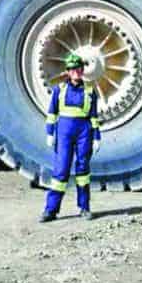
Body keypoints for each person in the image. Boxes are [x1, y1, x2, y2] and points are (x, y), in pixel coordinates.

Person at [39, 53, 101, 222]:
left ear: (82, 70)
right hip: (64, 132)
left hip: (84, 133)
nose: (76, 72)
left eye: (79, 69)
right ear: (68, 71)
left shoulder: (90, 91)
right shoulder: (59, 90)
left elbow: (94, 116)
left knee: (83, 171)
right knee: (61, 170)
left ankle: (84, 208)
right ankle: (50, 210)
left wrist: (96, 137)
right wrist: (50, 133)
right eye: (73, 69)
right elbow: (52, 113)